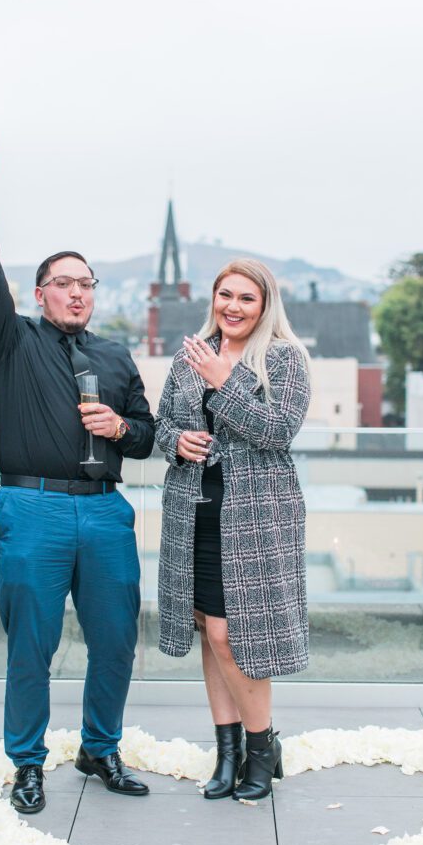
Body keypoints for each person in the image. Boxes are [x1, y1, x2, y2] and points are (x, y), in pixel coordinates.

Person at [0, 139, 155, 814]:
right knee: (31, 647)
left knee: (115, 643)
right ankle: (27, 763)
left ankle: (100, 749)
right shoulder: (11, 340)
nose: (76, 292)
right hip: (31, 507)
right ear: (41, 293)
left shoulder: (116, 353)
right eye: (63, 283)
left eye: (85, 284)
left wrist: (122, 431)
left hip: (105, 512)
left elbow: (149, 435)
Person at [155, 259, 310, 802]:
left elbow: (278, 430)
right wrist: (174, 440)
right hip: (193, 509)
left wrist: (226, 383)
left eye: (247, 298)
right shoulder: (190, 354)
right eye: (226, 295)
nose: (234, 307)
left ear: (265, 306)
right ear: (213, 299)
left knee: (232, 635)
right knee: (207, 627)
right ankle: (227, 752)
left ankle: (262, 747)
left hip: (255, 517)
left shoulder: (286, 359)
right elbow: (162, 421)